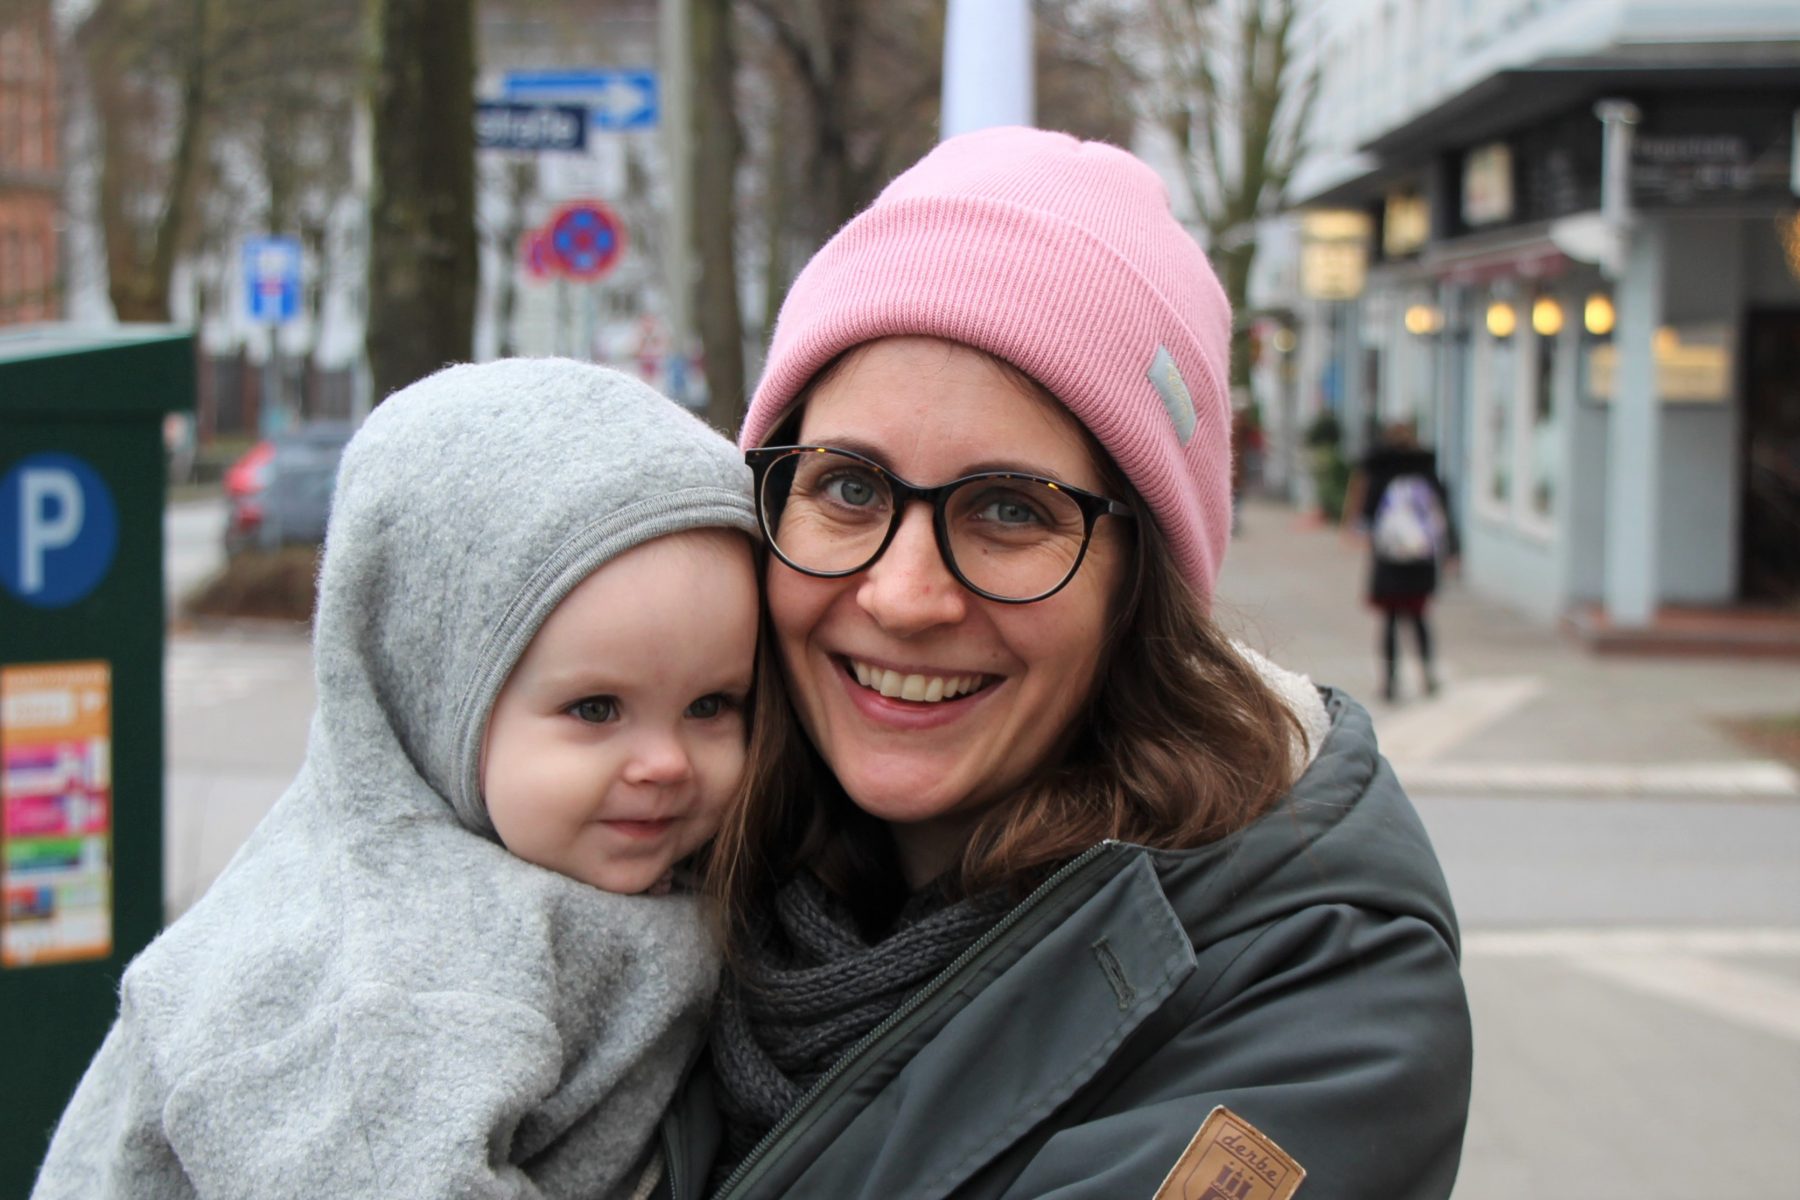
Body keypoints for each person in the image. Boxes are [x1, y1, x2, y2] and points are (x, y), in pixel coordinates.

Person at [661, 127, 1472, 1200]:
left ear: (1141, 588)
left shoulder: (1321, 988)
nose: (903, 597)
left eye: (1009, 510)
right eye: (849, 488)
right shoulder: (657, 830)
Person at [33, 360, 761, 1200]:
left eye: (712, 704)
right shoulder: (378, 980)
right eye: (596, 709)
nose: (666, 762)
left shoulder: (559, 872)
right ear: (431, 689)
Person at [1344, 420, 1458, 702]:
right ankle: (1428, 675)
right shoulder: (1427, 471)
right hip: (1421, 561)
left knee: (1390, 621)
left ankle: (1390, 683)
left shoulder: (1382, 473)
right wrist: (1454, 550)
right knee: (1419, 618)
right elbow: (1445, 513)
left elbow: (1368, 515)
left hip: (1389, 561)